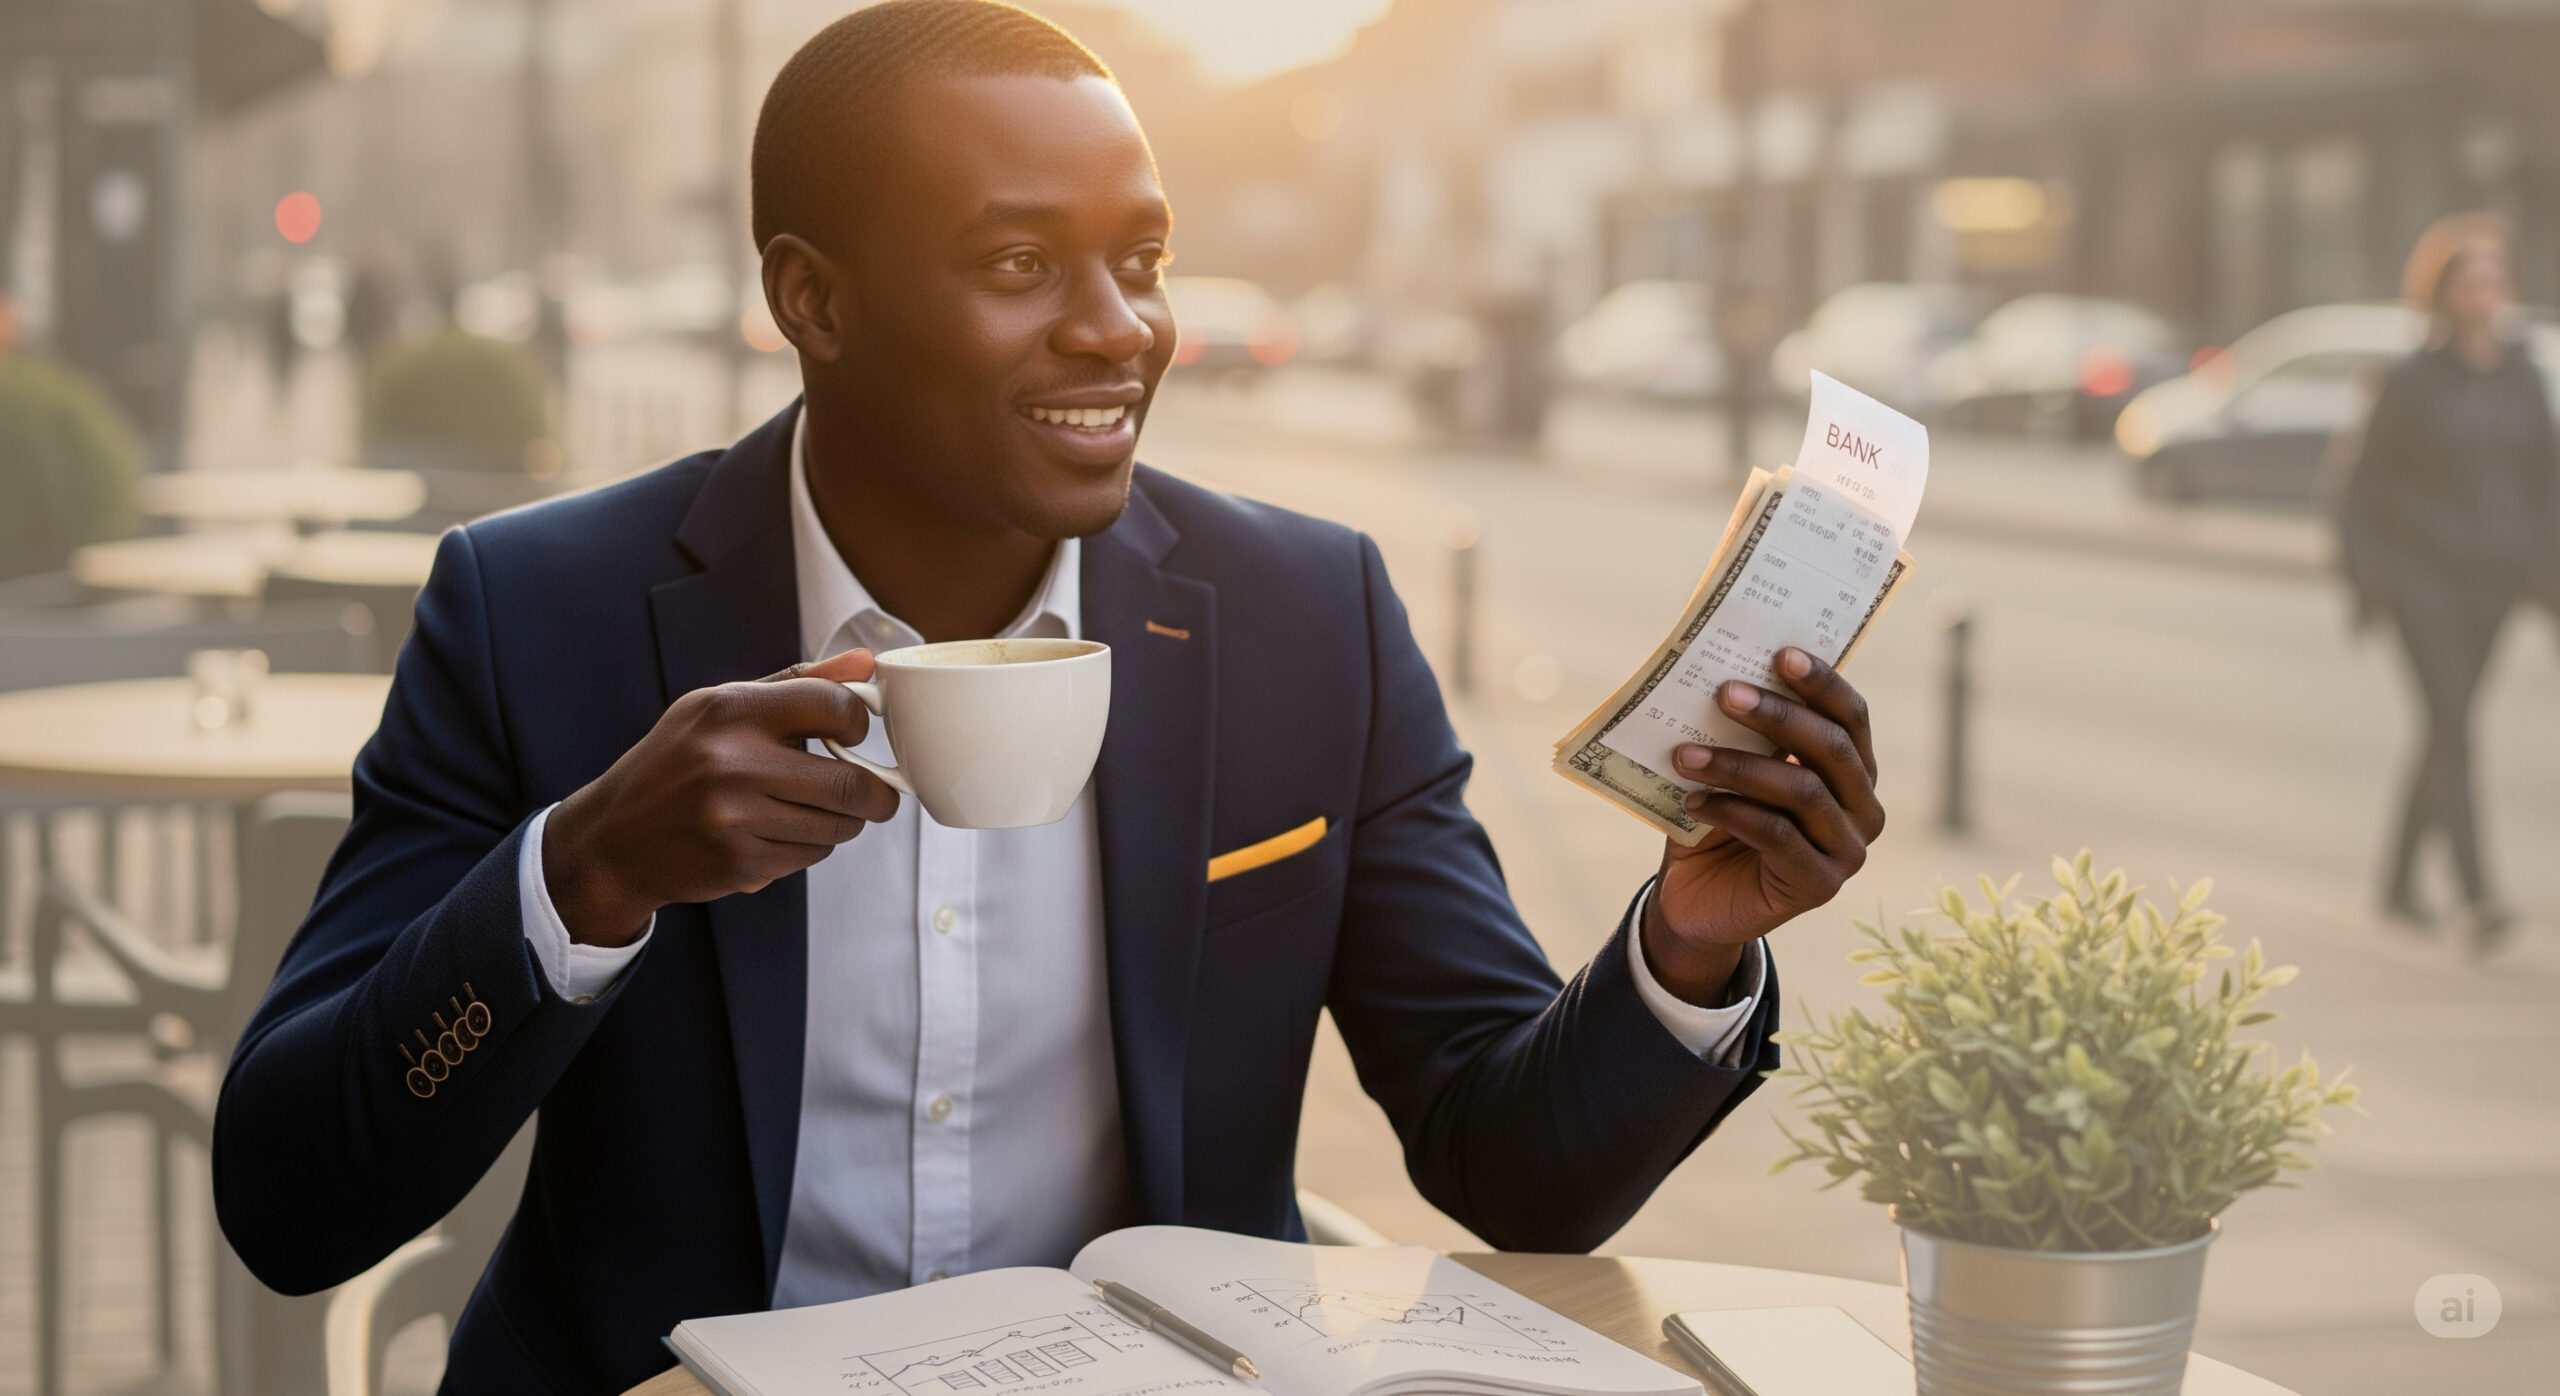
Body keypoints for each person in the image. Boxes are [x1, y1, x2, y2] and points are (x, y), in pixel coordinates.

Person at [210, 4, 1887, 1390]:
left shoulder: (1309, 618)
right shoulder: (540, 611)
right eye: (1020, 262)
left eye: (1142, 258)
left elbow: (1508, 1164)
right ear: (816, 299)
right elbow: (295, 1201)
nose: (1121, 332)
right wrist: (586, 876)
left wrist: (1684, 947)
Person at [2339, 212, 2558, 955]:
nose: (2485, 292)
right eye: (2471, 280)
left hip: (2493, 583)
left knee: (2444, 727)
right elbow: (2359, 487)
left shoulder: (2524, 376)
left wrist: (2543, 573)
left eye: (2495, 278)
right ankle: (2476, 895)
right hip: (2421, 581)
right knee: (2455, 726)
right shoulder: (2409, 381)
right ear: (2442, 292)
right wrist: (2372, 583)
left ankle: (2396, 882)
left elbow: (2542, 481)